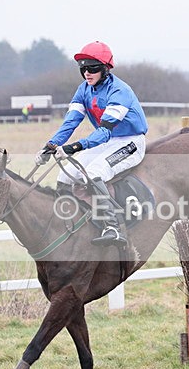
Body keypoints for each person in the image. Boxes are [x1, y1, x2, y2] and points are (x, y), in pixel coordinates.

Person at [35, 41, 148, 247]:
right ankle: (66, 221)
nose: (87, 72)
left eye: (92, 68)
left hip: (130, 141)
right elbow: (71, 122)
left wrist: (74, 147)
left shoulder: (120, 91)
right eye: (83, 68)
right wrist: (51, 145)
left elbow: (104, 131)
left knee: (96, 172)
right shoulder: (83, 89)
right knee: (65, 174)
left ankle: (112, 226)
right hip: (106, 141)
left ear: (105, 69)